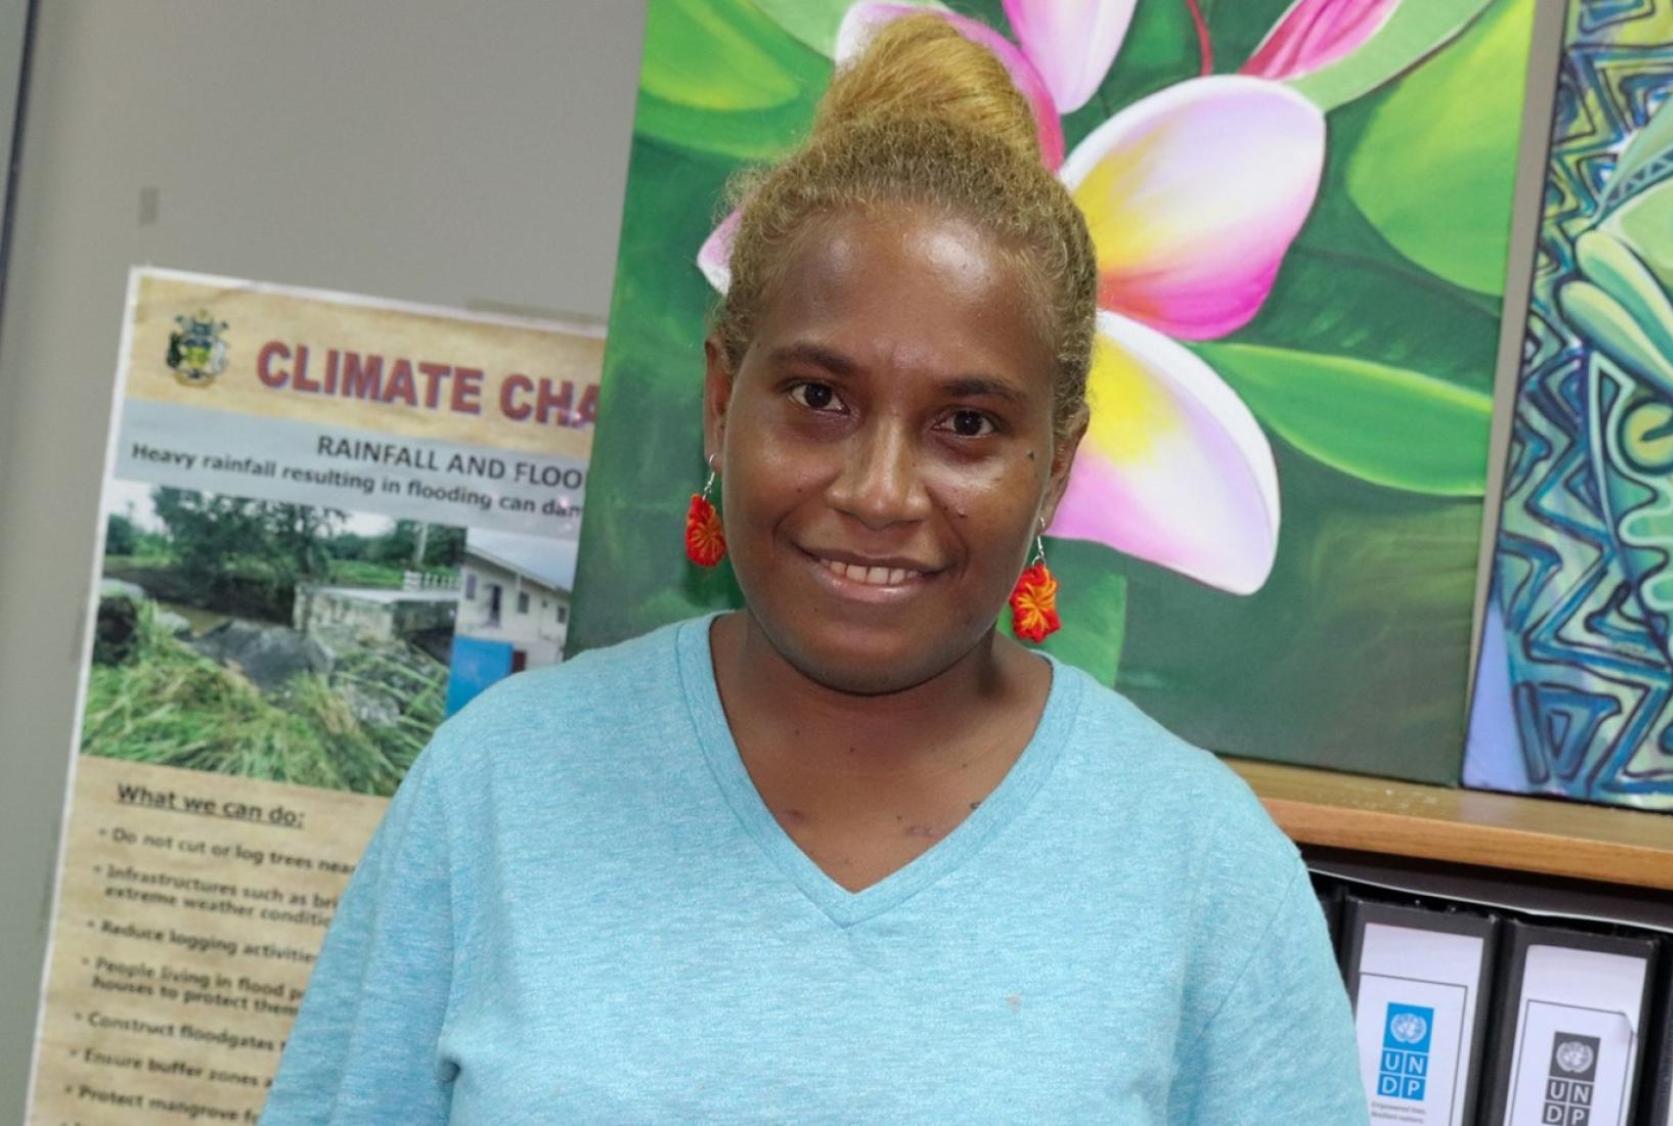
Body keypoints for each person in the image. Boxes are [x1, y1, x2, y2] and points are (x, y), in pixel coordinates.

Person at [263, 16, 1367, 1123]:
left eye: (968, 422)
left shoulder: (1206, 873)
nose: (877, 491)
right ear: (718, 401)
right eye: (819, 398)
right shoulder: (495, 787)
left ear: (1057, 464)